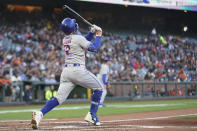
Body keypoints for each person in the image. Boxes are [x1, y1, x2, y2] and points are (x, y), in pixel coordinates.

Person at [31, 18, 103, 129]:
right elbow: (94, 48)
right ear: (74, 27)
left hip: (66, 72)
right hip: (78, 71)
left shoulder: (65, 39)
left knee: (58, 99)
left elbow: (82, 40)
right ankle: (92, 115)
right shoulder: (78, 38)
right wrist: (98, 35)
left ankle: (40, 114)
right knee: (99, 89)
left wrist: (91, 33)